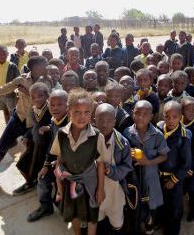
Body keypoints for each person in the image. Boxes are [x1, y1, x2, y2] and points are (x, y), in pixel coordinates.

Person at [50, 89, 105, 235]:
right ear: (69, 112)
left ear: (91, 113)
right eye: (77, 112)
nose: (82, 117)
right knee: (74, 214)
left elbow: (100, 164)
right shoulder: (61, 134)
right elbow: (59, 162)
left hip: (90, 184)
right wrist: (60, 188)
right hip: (70, 183)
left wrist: (100, 189)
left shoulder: (97, 136)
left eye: (87, 112)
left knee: (92, 215)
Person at [0, 56, 48, 172]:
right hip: (17, 119)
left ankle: (32, 179)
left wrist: (28, 93)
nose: (46, 67)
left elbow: (47, 103)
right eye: (44, 65)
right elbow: (3, 89)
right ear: (35, 67)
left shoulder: (46, 82)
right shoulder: (22, 80)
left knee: (30, 152)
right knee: (1, 148)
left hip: (33, 124)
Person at [124, 100, 169, 234]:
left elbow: (164, 156)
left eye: (145, 114)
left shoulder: (157, 135)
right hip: (133, 176)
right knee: (135, 201)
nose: (141, 117)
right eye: (137, 113)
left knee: (151, 201)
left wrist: (147, 162)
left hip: (151, 175)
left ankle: (150, 222)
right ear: (133, 114)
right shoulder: (127, 132)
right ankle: (138, 222)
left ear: (151, 116)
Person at [27, 89, 69, 222]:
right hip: (55, 161)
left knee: (63, 186)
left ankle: (64, 207)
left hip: (68, 165)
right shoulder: (54, 120)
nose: (55, 108)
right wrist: (46, 165)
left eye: (59, 105)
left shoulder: (71, 124)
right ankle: (46, 207)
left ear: (67, 106)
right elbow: (52, 144)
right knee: (42, 178)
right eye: (52, 105)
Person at [95, 103, 133, 235]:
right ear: (94, 120)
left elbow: (127, 166)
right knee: (99, 220)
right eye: (101, 120)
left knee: (117, 222)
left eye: (109, 120)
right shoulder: (89, 139)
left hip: (115, 191)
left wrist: (112, 171)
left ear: (115, 122)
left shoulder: (122, 143)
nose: (105, 124)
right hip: (94, 190)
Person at [157, 100, 191, 235]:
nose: (170, 120)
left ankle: (173, 230)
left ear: (181, 117)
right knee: (163, 202)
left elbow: (186, 163)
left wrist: (174, 180)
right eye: (167, 116)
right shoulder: (159, 128)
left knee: (175, 206)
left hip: (174, 178)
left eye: (175, 117)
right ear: (162, 116)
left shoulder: (184, 136)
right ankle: (163, 222)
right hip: (159, 175)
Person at [14, 82, 52, 194]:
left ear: (47, 96)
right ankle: (30, 182)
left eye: (40, 96)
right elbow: (33, 126)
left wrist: (48, 127)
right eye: (33, 97)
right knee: (22, 164)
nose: (37, 99)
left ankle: (33, 183)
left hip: (45, 146)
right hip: (34, 142)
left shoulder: (50, 109)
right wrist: (26, 136)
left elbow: (56, 125)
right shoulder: (33, 109)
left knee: (40, 168)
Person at [0, 45, 20, 123]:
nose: (2, 56)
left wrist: (18, 94)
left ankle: (12, 129)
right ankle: (7, 127)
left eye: (4, 54)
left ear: (7, 54)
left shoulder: (12, 66)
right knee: (5, 111)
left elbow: (17, 80)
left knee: (12, 112)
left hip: (10, 95)